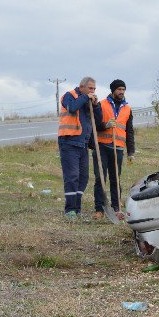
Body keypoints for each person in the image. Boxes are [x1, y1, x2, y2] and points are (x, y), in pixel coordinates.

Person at [58, 76, 102, 219]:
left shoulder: (88, 100)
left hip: (83, 144)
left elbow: (99, 120)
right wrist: (85, 98)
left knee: (83, 177)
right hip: (69, 142)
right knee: (72, 176)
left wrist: (95, 105)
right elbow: (72, 108)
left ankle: (77, 208)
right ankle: (69, 209)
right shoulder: (69, 95)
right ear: (82, 87)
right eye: (90, 88)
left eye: (94, 89)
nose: (93, 91)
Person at [93, 79, 135, 220]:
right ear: (113, 90)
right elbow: (95, 125)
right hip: (102, 146)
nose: (121, 92)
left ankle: (116, 208)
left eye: (123, 89)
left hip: (117, 148)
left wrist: (131, 152)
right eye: (119, 89)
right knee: (101, 178)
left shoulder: (127, 108)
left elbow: (129, 131)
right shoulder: (101, 104)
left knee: (115, 179)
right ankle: (99, 209)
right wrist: (105, 125)